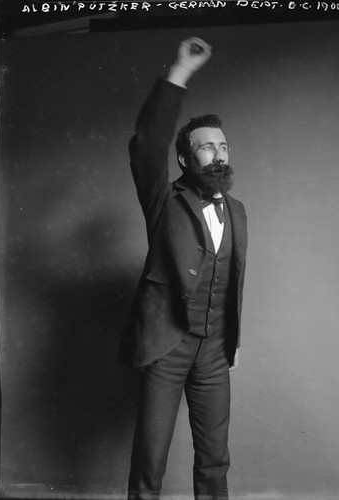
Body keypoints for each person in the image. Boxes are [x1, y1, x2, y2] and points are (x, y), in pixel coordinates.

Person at [118, 37, 248, 500]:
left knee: (215, 459)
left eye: (223, 146)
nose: (219, 154)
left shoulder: (237, 210)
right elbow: (147, 143)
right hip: (166, 348)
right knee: (150, 460)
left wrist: (230, 338)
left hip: (214, 352)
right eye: (207, 148)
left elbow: (230, 281)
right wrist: (180, 70)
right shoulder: (163, 200)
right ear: (185, 159)